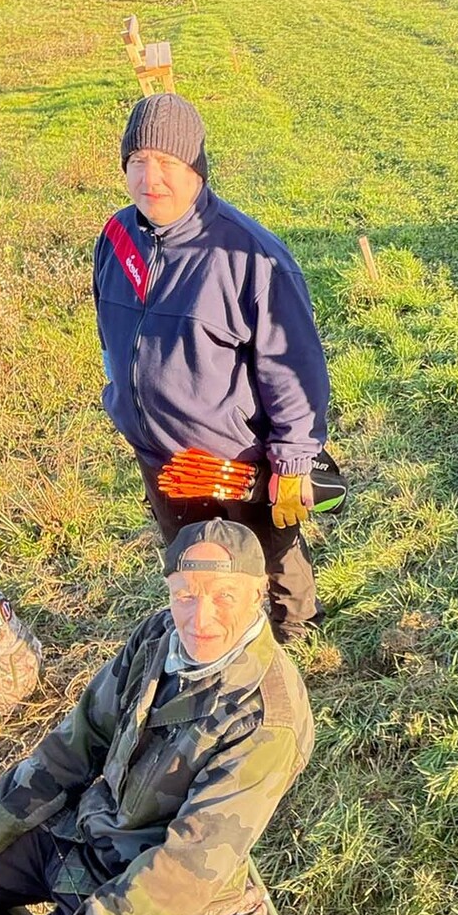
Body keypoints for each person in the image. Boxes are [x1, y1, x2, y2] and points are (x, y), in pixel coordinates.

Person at [0, 519, 314, 915]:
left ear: (258, 593)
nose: (200, 620)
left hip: (149, 902)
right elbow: (82, 738)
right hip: (81, 836)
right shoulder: (157, 637)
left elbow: (184, 873)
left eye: (224, 596)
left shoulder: (266, 718)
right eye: (185, 595)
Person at [94, 93, 330, 644]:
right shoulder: (116, 239)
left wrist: (293, 459)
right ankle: (215, 637)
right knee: (192, 555)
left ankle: (295, 630)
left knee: (268, 551)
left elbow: (295, 370)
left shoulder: (250, 256)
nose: (150, 178)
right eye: (137, 161)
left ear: (196, 167)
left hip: (236, 457)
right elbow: (108, 327)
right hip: (158, 452)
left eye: (167, 162)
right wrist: (120, 396)